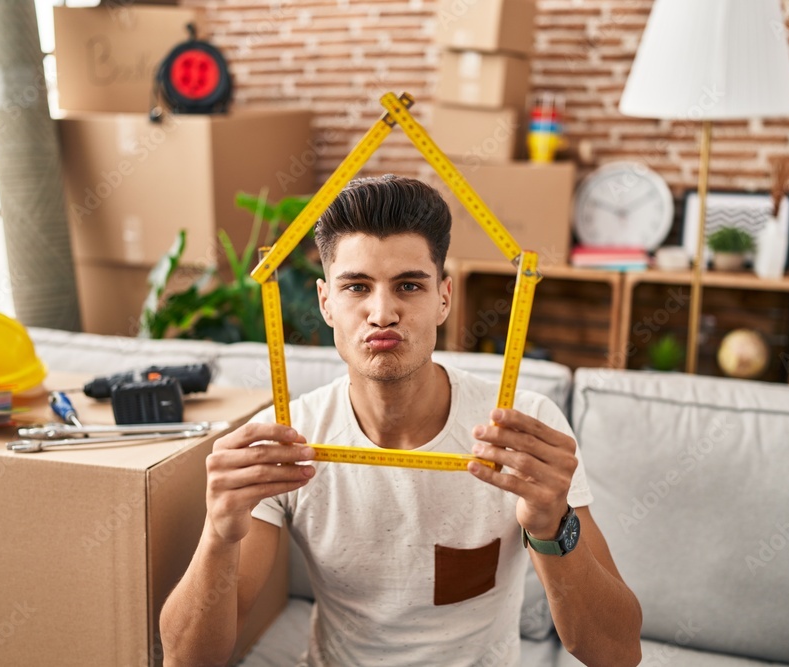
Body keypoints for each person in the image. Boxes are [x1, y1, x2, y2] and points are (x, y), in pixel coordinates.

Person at [160, 175, 643, 666]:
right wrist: (219, 534)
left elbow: (617, 654)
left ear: (444, 299)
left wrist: (551, 526)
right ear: (326, 302)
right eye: (357, 287)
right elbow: (189, 661)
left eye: (408, 285)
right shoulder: (287, 441)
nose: (383, 312)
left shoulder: (521, 430)